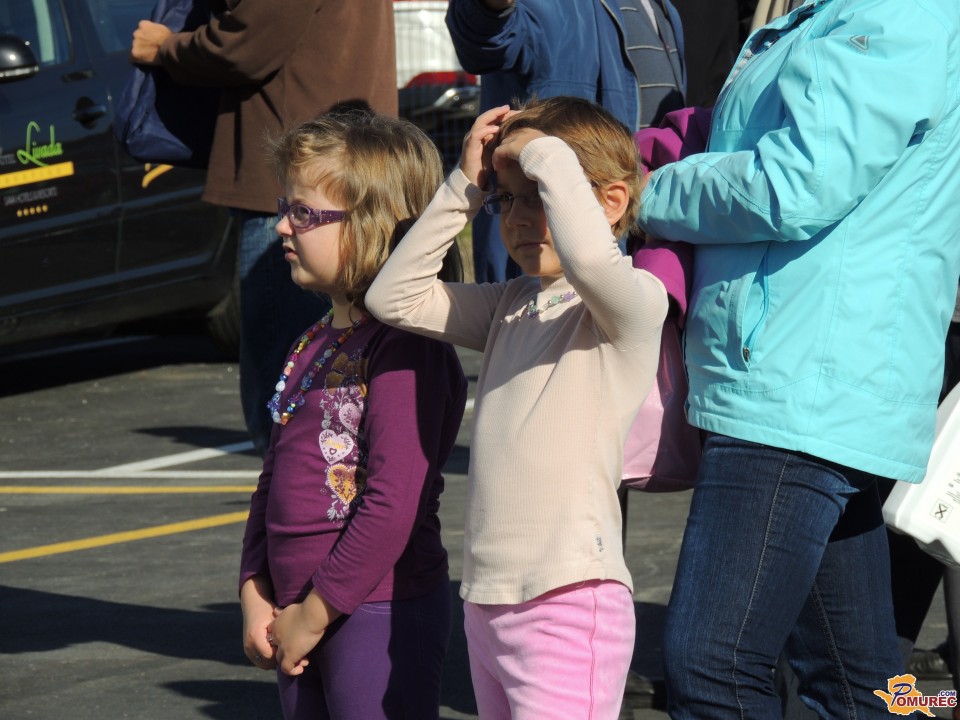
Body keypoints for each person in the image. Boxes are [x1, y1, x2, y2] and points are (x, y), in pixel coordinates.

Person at [636, 0, 960, 717]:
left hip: (800, 378)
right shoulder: (846, 13)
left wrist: (644, 193)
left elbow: (795, 184)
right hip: (803, 370)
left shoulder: (893, 15)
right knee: (853, 680)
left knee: (713, 665)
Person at [366, 96, 669, 719]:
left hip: (569, 597)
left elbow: (591, 259)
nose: (520, 217)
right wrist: (465, 183)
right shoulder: (512, 303)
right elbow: (393, 298)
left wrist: (539, 152)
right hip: (488, 600)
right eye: (507, 199)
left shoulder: (635, 300)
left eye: (540, 196)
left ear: (611, 202)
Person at [237, 111, 467, 720]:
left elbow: (394, 502)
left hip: (379, 610)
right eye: (284, 207)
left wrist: (315, 614)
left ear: (372, 224)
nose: (282, 225)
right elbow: (271, 480)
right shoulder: (311, 340)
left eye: (304, 213)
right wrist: (254, 590)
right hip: (294, 610)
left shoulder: (407, 346)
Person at [128, 0, 398, 456]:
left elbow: (246, 44)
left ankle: (295, 483)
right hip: (342, 170)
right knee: (333, 362)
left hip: (296, 178)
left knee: (287, 378)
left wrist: (166, 47)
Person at [445, 0, 686, 283]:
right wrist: (459, 189)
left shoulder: (664, 11)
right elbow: (486, 36)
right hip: (542, 272)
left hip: (640, 257)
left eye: (537, 193)